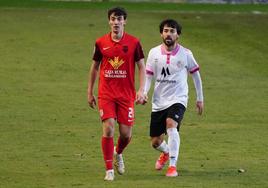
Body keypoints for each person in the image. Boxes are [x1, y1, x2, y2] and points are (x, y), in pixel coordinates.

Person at [87, 7, 146, 181]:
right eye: (113, 19)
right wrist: (89, 91)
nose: (116, 22)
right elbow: (94, 67)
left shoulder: (134, 43)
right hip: (106, 93)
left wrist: (141, 90)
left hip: (126, 95)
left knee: (126, 134)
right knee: (108, 128)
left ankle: (118, 153)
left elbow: (142, 67)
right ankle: (108, 170)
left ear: (124, 21)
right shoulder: (100, 42)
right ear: (109, 21)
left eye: (119, 19)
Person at [144, 19, 204, 177]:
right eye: (165, 30)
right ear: (161, 34)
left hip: (178, 98)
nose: (168, 34)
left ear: (178, 35)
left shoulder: (186, 54)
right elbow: (148, 76)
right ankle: (166, 152)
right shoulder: (153, 53)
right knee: (155, 142)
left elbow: (196, 75)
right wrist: (143, 92)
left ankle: (172, 166)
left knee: (171, 124)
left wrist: (200, 98)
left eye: (172, 31)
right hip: (158, 101)